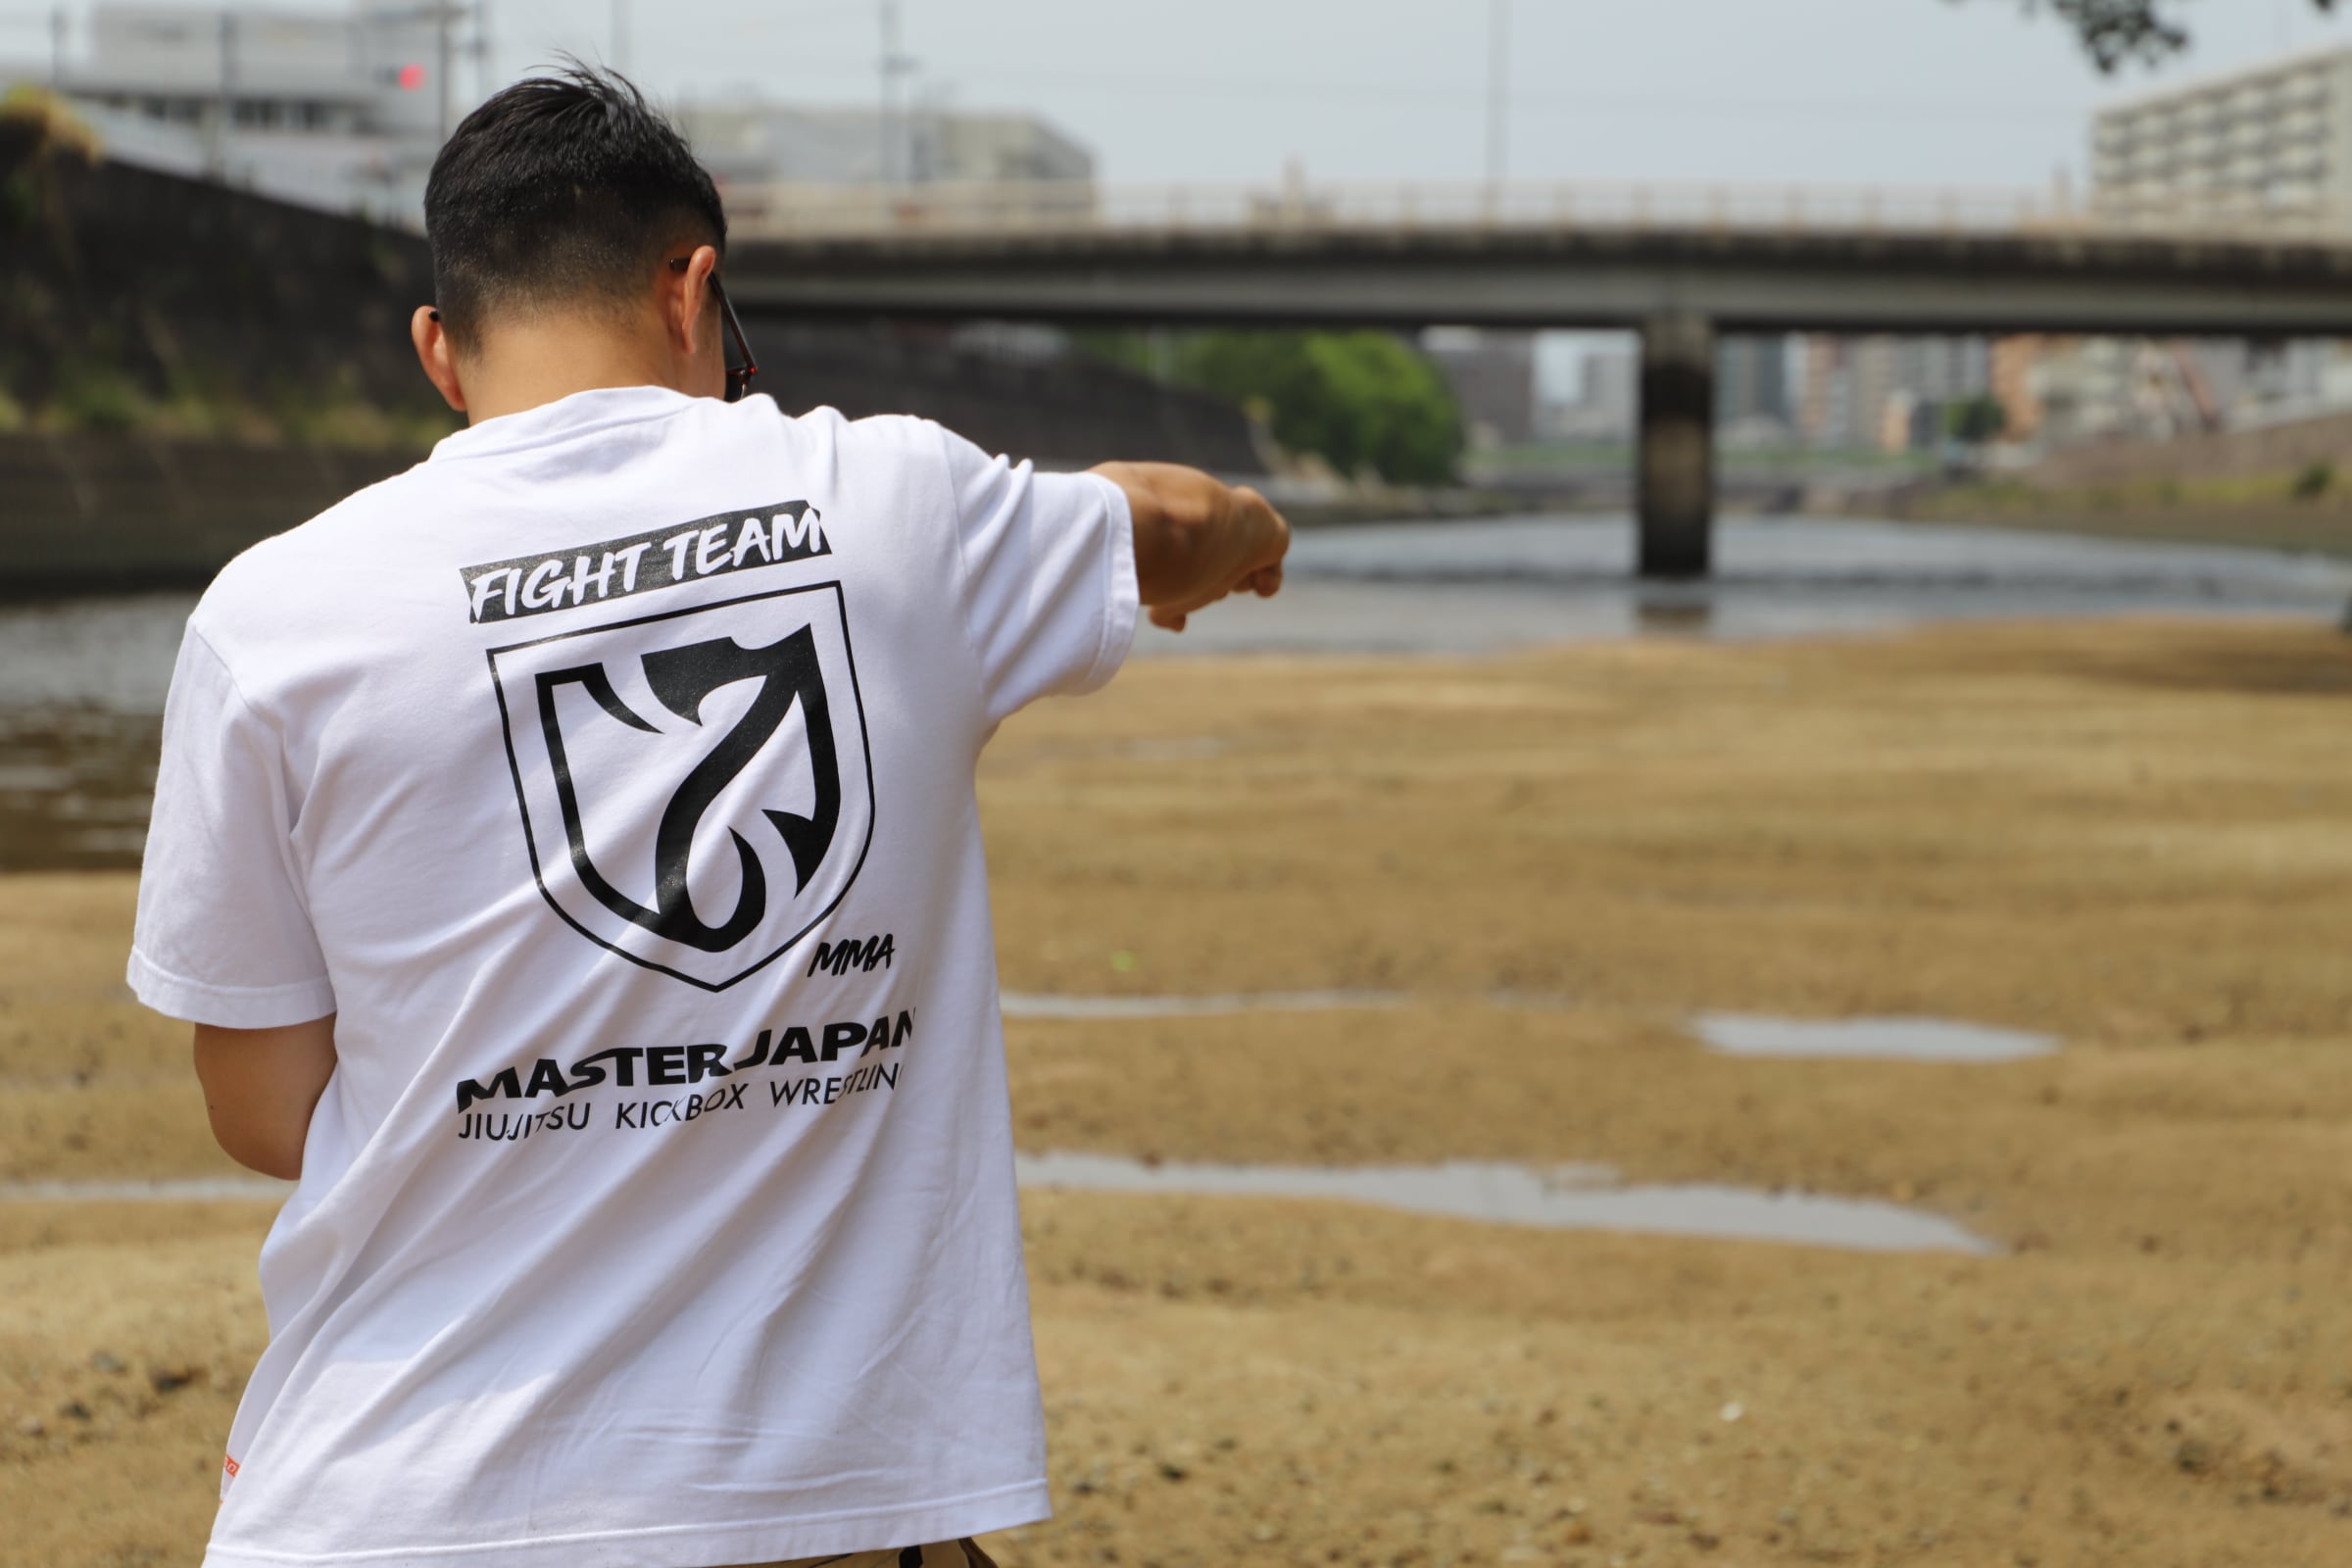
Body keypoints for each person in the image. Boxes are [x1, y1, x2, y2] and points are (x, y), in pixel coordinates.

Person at [129, 67, 1288, 1568]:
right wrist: (1252, 539)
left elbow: (263, 1114)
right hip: (796, 1506)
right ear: (694, 291)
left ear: (439, 352)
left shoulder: (272, 616)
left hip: (376, 1504)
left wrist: (545, 1077)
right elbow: (1168, 523)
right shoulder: (892, 506)